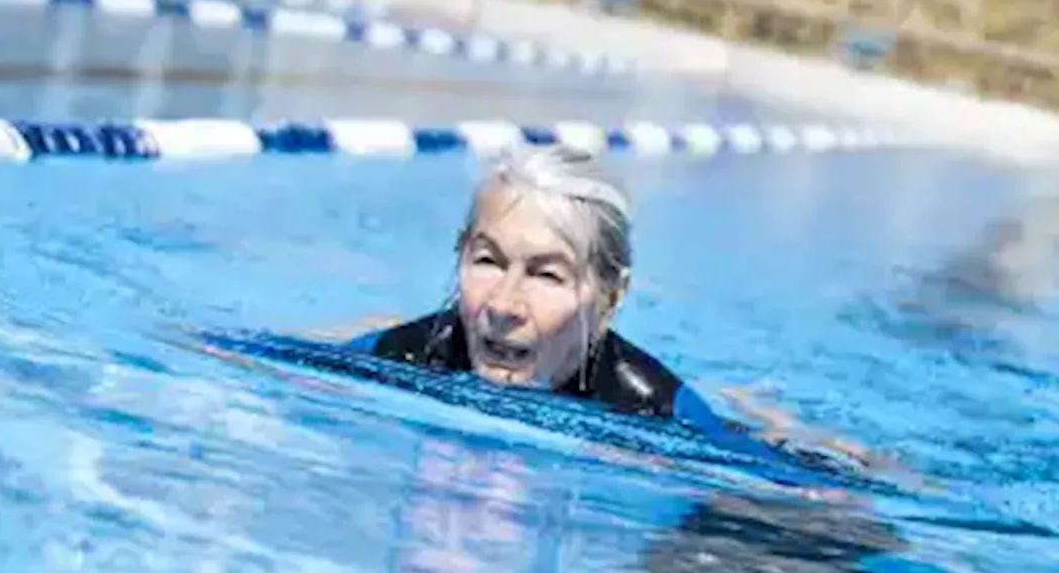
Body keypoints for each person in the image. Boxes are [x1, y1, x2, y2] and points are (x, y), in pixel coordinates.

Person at [337, 143, 884, 471]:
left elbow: (824, 479)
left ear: (609, 298)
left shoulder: (649, 406)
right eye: (487, 261)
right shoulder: (412, 351)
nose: (503, 304)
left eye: (546, 274)